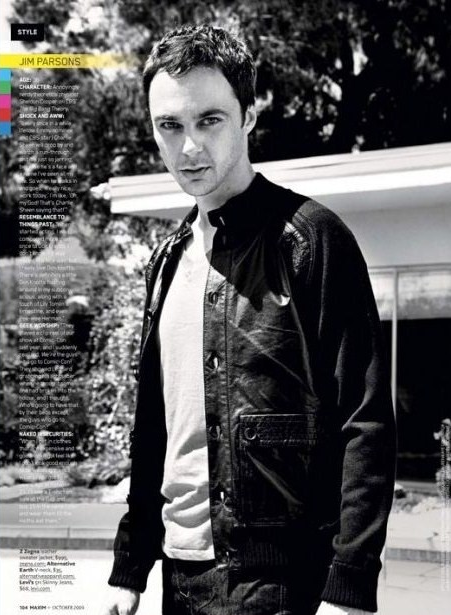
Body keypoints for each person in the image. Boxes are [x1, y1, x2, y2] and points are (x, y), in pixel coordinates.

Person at [102, 24, 396, 615]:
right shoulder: (165, 261)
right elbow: (157, 425)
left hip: (281, 588)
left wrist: (349, 586)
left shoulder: (311, 240)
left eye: (209, 120)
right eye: (170, 125)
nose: (189, 147)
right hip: (180, 582)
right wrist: (131, 565)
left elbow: (364, 420)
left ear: (249, 116)